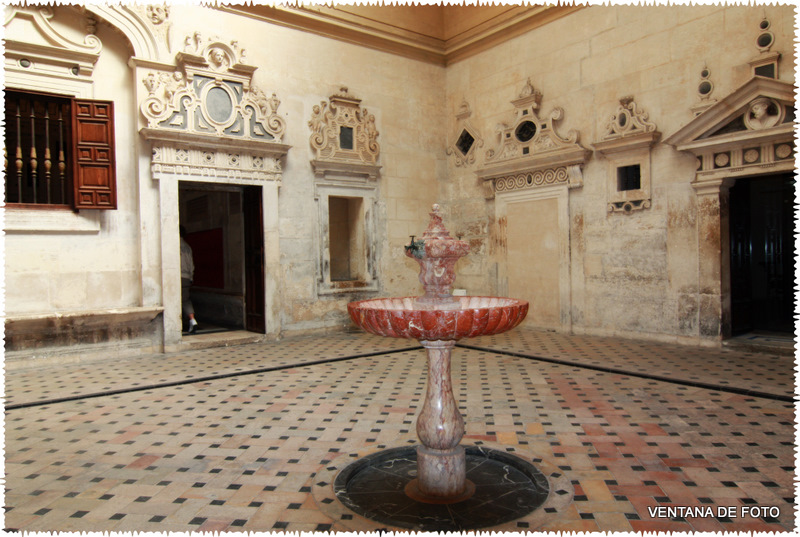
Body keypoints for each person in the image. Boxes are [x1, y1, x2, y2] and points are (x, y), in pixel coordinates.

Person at [180, 225, 198, 334]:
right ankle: (192, 320)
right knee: (185, 300)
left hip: (177, 276)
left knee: (175, 300)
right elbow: (191, 265)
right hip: (186, 277)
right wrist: (191, 277)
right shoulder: (187, 247)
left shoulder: (173, 245)